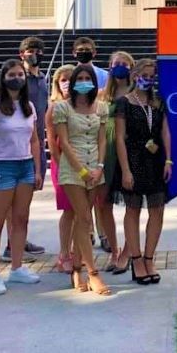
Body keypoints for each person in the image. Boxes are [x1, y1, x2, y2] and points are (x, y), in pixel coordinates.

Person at [0, 59, 44, 295]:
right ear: (4, 78)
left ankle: (17, 268)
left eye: (20, 74)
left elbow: (34, 140)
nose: (17, 78)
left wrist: (36, 169)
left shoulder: (29, 107)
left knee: (20, 219)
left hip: (24, 166)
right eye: (12, 74)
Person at [54, 65, 111, 295]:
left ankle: (77, 268)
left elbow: (102, 141)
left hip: (95, 169)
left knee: (82, 220)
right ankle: (93, 273)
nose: (84, 81)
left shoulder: (102, 108)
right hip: (73, 170)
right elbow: (64, 142)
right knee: (86, 218)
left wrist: (98, 167)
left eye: (89, 78)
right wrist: (82, 171)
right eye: (81, 78)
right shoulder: (62, 108)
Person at [116, 59, 172, 285]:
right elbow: (119, 137)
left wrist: (168, 160)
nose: (148, 79)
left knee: (157, 209)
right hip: (134, 158)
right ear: (135, 75)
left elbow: (165, 132)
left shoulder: (158, 102)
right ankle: (136, 259)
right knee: (133, 209)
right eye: (144, 74)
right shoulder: (124, 102)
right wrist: (125, 170)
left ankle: (149, 258)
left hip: (155, 160)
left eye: (152, 75)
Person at [0, 37, 48, 263]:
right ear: (22, 54)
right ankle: (12, 244)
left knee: (25, 200)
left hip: (35, 143)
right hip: (16, 148)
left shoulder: (43, 80)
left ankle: (20, 237)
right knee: (13, 201)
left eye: (37, 51)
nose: (34, 54)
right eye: (29, 51)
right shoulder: (18, 79)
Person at [98, 51, 135, 273]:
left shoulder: (138, 93)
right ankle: (113, 249)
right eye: (116, 64)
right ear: (110, 67)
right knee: (104, 204)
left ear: (131, 67)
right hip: (107, 153)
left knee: (133, 205)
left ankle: (128, 251)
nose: (120, 67)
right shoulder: (102, 95)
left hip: (132, 152)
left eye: (124, 64)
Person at [46, 64, 76, 273]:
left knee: (81, 211)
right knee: (69, 210)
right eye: (62, 79)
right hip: (64, 165)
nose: (66, 82)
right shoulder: (53, 108)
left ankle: (76, 251)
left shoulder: (86, 105)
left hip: (84, 162)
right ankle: (64, 253)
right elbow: (51, 141)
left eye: (70, 78)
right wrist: (62, 165)